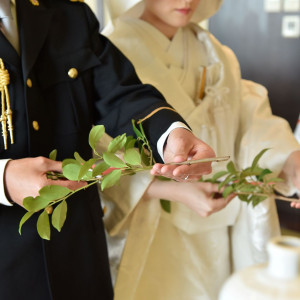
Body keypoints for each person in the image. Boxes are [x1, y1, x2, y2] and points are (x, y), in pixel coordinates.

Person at [0, 0, 218, 299]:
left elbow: (120, 94)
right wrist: (3, 178)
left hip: (80, 257)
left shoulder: (67, 13)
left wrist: (170, 135)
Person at [101, 0, 300, 299]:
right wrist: (169, 190)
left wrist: (290, 160)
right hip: (151, 224)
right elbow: (99, 150)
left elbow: (248, 119)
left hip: (217, 221)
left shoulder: (215, 51)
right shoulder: (109, 53)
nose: (186, 2)